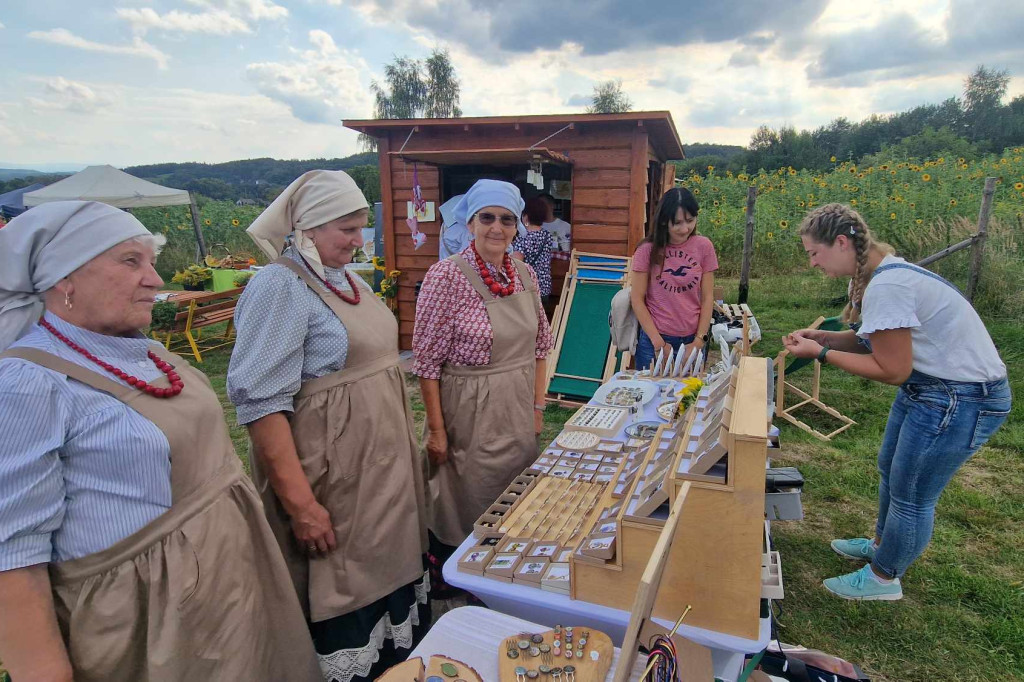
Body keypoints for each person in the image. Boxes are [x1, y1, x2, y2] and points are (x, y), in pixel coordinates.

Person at [0, 201, 320, 682]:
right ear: (64, 279)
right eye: (131, 261)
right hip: (157, 622)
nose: (154, 279)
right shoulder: (27, 382)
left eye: (151, 261)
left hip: (229, 583)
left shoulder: (145, 350)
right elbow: (13, 559)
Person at [228, 170, 429, 680]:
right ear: (308, 228)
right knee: (344, 576)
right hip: (332, 475)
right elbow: (260, 403)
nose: (358, 241)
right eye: (346, 229)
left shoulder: (346, 278)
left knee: (385, 566)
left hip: (380, 468)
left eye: (362, 227)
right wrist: (302, 506)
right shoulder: (279, 286)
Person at [783, 203, 1011, 601]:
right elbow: (877, 340)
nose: (814, 263)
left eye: (813, 253)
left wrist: (820, 355)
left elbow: (892, 368)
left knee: (912, 491)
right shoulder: (883, 274)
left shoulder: (888, 285)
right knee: (891, 468)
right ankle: (882, 545)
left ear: (840, 243)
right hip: (933, 389)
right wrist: (827, 339)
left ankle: (884, 578)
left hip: (959, 397)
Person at [413, 179, 554, 579]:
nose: (498, 228)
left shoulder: (524, 274)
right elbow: (426, 364)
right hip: (469, 411)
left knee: (513, 492)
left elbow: (541, 346)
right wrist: (438, 432)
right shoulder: (446, 278)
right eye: (487, 217)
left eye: (507, 219)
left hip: (517, 404)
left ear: (517, 226)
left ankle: (503, 571)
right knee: (468, 497)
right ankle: (457, 575)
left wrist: (538, 406)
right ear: (470, 223)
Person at [630, 187, 718, 371]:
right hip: (655, 341)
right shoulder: (646, 250)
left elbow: (707, 297)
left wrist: (698, 341)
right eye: (677, 223)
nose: (685, 228)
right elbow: (637, 298)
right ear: (663, 221)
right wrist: (658, 343)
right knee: (651, 395)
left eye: (690, 220)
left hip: (692, 340)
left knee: (688, 396)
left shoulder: (704, 246)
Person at [512, 196, 557, 302]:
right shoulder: (547, 235)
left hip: (528, 289)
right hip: (544, 287)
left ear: (525, 217)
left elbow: (516, 264)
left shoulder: (522, 238)